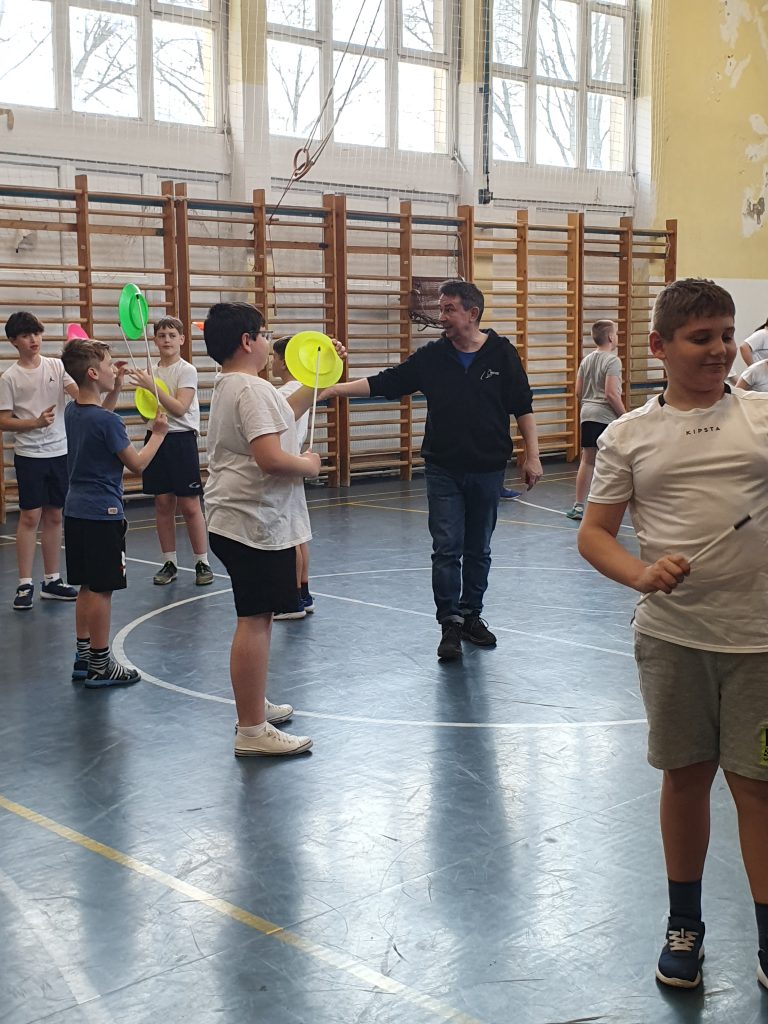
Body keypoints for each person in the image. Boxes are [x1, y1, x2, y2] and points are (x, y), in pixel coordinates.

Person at [578, 279, 768, 992]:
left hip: (760, 643)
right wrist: (640, 572)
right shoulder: (629, 435)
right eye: (700, 338)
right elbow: (595, 535)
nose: (719, 350)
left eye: (727, 335)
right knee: (685, 779)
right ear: (659, 346)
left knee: (759, 789)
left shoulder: (763, 417)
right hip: (675, 641)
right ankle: (683, 924)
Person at [323, 279, 543, 662]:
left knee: (479, 548)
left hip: (488, 468)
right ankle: (450, 624)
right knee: (446, 548)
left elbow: (522, 406)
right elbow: (388, 381)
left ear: (472, 313)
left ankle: (472, 615)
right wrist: (334, 389)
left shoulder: (502, 354)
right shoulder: (433, 356)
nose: (440, 317)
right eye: (440, 309)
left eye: (448, 309)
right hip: (443, 468)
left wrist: (533, 455)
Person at [202, 303, 343, 756]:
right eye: (263, 334)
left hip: (236, 518)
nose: (268, 342)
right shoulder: (252, 389)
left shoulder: (233, 384)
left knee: (256, 617)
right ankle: (252, 730)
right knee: (255, 620)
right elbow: (271, 458)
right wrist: (309, 465)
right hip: (253, 521)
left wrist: (321, 376)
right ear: (247, 341)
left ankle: (252, 702)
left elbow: (287, 409)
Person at [61, 338, 168, 687]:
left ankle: (84, 657)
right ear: (93, 373)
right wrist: (157, 435)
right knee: (102, 589)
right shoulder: (109, 423)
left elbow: (100, 416)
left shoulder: (73, 411)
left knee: (86, 585)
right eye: (109, 365)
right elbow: (137, 464)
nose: (114, 368)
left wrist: (118, 387)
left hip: (76, 510)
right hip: (102, 513)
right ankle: (101, 664)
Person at [0, 312, 120, 611]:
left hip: (61, 453)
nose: (33, 340)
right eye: (26, 335)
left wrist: (106, 377)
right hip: (30, 455)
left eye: (36, 333)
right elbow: (3, 421)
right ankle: (24, 583)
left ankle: (51, 580)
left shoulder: (56, 366)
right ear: (13, 341)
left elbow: (84, 396)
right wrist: (35, 423)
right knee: (30, 517)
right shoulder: (9, 378)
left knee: (55, 515)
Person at [126, 317, 213, 587]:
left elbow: (179, 408)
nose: (166, 339)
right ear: (154, 340)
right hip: (156, 438)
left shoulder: (187, 370)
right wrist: (147, 400)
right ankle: (169, 562)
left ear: (182, 339)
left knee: (189, 505)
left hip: (181, 440)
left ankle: (202, 561)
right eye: (161, 335)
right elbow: (147, 413)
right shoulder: (149, 372)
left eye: (172, 335)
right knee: (163, 503)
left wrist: (151, 386)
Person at [270, 335, 315, 620]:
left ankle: (291, 601)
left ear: (284, 361)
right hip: (296, 461)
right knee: (298, 534)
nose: (271, 362)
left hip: (284, 464)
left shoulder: (282, 394)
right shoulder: (303, 388)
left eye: (274, 357)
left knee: (288, 537)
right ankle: (303, 594)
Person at [565, 319, 625, 520]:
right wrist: (625, 416)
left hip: (587, 414)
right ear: (611, 337)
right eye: (616, 333)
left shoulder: (586, 360)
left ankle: (578, 505)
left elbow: (578, 392)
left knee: (587, 460)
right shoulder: (613, 361)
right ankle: (608, 506)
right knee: (614, 461)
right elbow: (611, 393)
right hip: (605, 416)